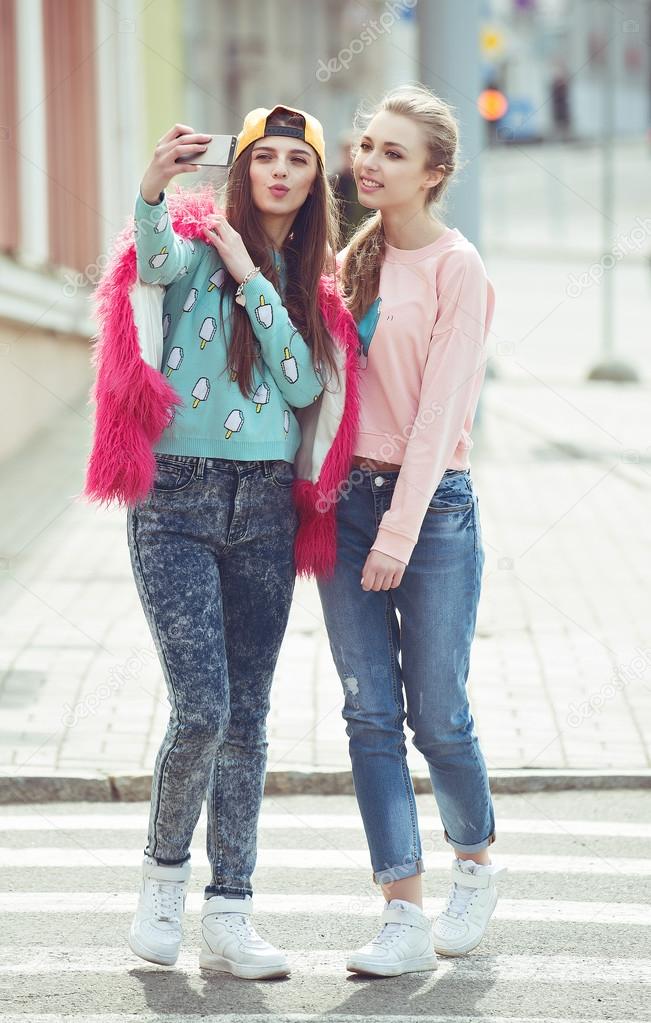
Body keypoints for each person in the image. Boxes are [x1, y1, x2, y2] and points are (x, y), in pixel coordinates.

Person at [83, 107, 359, 979]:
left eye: (297, 162)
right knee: (200, 708)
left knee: (248, 719)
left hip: (266, 507)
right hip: (175, 500)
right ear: (242, 169)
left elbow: (305, 377)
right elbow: (150, 257)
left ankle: (231, 909)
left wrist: (256, 279)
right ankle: (163, 882)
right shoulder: (197, 244)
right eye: (264, 157)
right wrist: (154, 186)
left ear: (315, 182)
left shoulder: (311, 282)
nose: (280, 172)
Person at [317, 84, 507, 978]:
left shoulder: (457, 269)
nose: (368, 162)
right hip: (345, 507)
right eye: (364, 145)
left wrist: (396, 532)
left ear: (433, 173)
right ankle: (399, 909)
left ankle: (474, 864)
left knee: (438, 715)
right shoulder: (351, 256)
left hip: (429, 516)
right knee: (367, 713)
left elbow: (438, 416)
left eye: (392, 152)